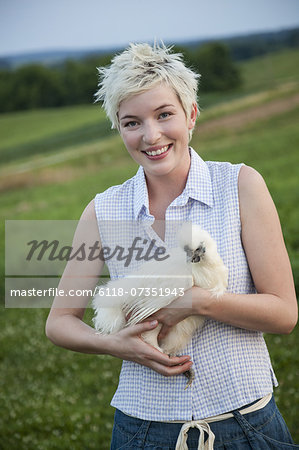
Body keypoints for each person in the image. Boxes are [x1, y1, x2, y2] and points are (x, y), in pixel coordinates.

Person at [45, 43, 298, 449]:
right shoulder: (102, 210)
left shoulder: (240, 186)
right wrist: (115, 344)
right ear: (118, 128)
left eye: (165, 114)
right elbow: (59, 323)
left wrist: (195, 301)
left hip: (247, 425)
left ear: (191, 114)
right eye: (132, 122)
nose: (151, 135)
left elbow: (284, 314)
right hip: (143, 431)